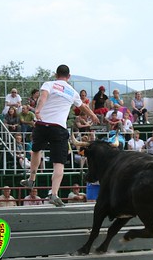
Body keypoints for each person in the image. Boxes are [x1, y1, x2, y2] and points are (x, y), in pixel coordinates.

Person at [20, 64, 99, 207]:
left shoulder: (49, 84)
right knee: (59, 163)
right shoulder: (72, 92)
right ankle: (54, 194)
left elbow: (43, 97)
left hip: (42, 124)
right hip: (59, 128)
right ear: (68, 77)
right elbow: (83, 106)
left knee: (36, 150)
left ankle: (31, 179)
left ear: (56, 75)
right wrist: (93, 115)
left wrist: (37, 110)